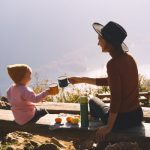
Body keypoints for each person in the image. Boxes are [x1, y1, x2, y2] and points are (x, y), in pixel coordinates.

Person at [68, 21, 143, 141]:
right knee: (100, 105)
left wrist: (108, 126)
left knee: (92, 100)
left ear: (109, 43)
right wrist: (81, 80)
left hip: (121, 121)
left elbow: (116, 98)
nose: (98, 43)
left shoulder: (112, 64)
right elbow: (112, 81)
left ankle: (93, 128)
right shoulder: (130, 58)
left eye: (99, 39)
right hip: (137, 116)